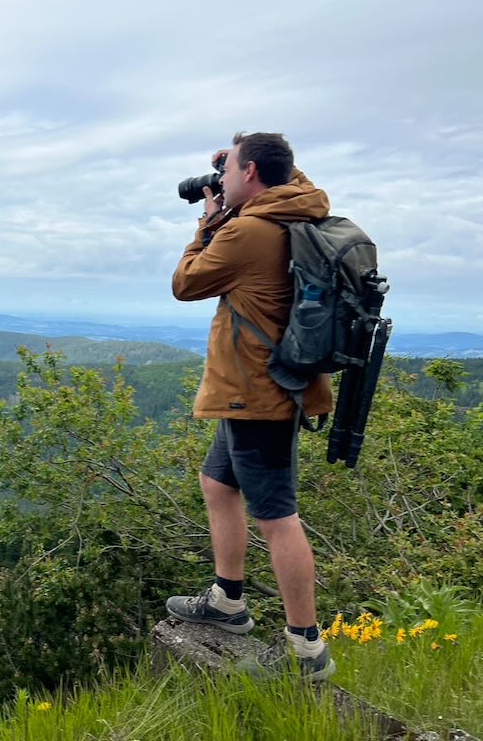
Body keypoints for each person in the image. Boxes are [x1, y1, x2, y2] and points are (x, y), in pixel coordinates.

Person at [167, 132, 335, 680]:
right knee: (218, 483)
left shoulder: (247, 231)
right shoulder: (296, 205)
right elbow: (289, 175)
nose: (223, 180)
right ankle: (228, 600)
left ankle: (306, 649)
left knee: (278, 518)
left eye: (232, 170)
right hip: (258, 387)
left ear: (255, 173)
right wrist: (232, 167)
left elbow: (185, 283)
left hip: (256, 392)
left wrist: (206, 222)